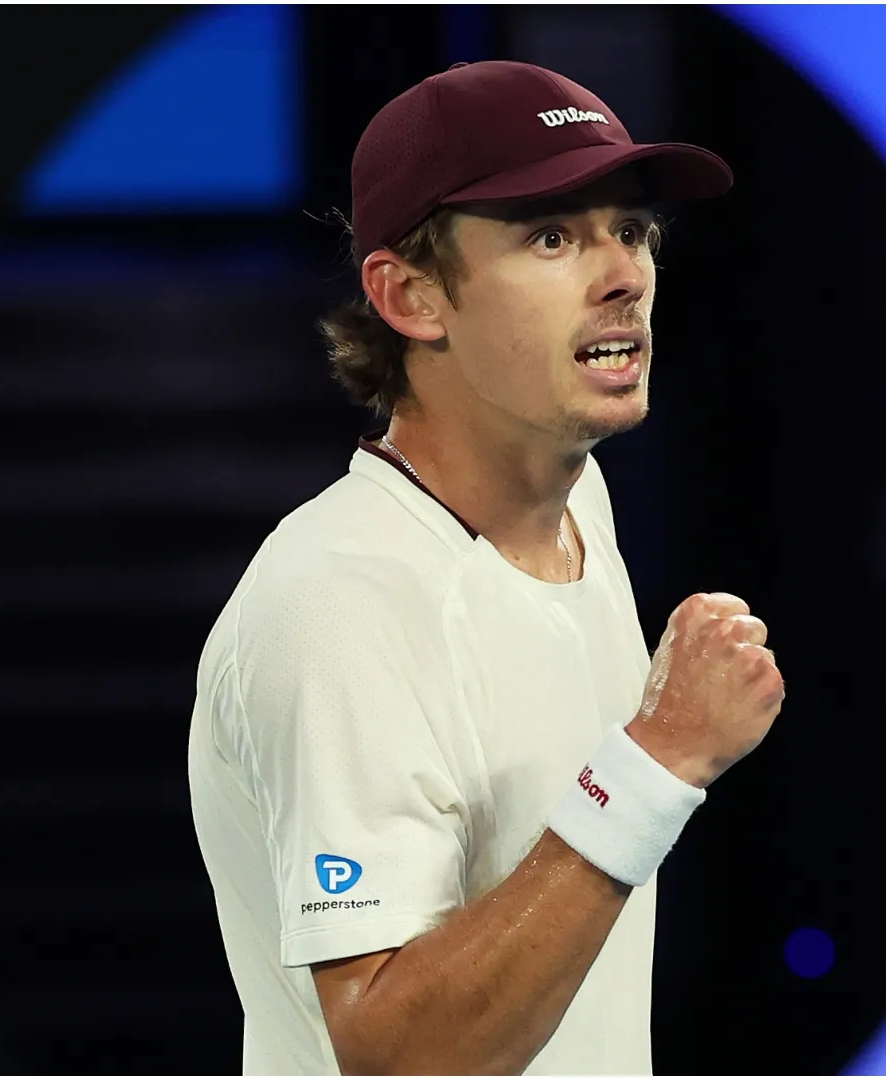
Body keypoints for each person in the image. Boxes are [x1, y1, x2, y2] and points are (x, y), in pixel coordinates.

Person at [187, 60, 786, 1075]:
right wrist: (657, 761)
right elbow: (396, 1056)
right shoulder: (340, 605)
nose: (624, 273)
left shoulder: (577, 498)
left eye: (631, 230)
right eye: (552, 236)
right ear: (412, 294)